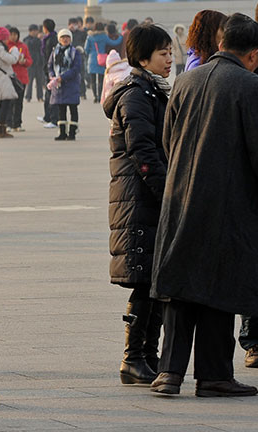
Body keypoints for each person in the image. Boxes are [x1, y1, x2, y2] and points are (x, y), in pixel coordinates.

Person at [150, 13, 258, 397]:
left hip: (179, 198)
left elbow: (168, 141)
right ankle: (214, 374)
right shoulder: (250, 86)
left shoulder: (184, 81)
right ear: (254, 54)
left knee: (180, 284)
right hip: (227, 203)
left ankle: (169, 373)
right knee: (220, 286)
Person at [102, 24, 173, 386]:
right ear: (142, 58)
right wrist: (169, 193)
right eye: (163, 53)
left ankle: (147, 353)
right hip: (140, 200)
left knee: (154, 280)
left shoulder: (153, 92)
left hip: (147, 199)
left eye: (171, 52)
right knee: (145, 281)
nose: (170, 60)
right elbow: (143, 151)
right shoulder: (135, 96)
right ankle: (133, 356)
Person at [47, 28, 84, 141]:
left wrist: (62, 77)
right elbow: (50, 66)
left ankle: (72, 133)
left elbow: (76, 68)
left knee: (73, 109)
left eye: (67, 37)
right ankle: (62, 133)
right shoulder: (55, 52)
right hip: (59, 86)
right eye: (63, 37)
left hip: (71, 84)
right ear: (59, 39)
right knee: (61, 110)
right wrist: (52, 76)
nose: (65, 39)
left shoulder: (74, 52)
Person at [5, 27, 32, 131]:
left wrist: (24, 61)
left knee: (19, 103)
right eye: (11, 34)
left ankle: (17, 124)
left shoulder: (23, 46)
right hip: (10, 78)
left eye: (15, 34)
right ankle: (8, 123)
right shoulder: (6, 46)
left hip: (21, 78)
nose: (13, 36)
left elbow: (30, 61)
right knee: (9, 102)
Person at [85, 25, 117, 103]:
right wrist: (120, 38)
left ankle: (95, 96)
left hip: (92, 59)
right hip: (102, 59)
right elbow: (113, 43)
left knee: (93, 80)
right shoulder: (104, 36)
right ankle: (99, 96)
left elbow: (86, 49)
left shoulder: (89, 37)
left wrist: (90, 53)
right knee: (100, 80)